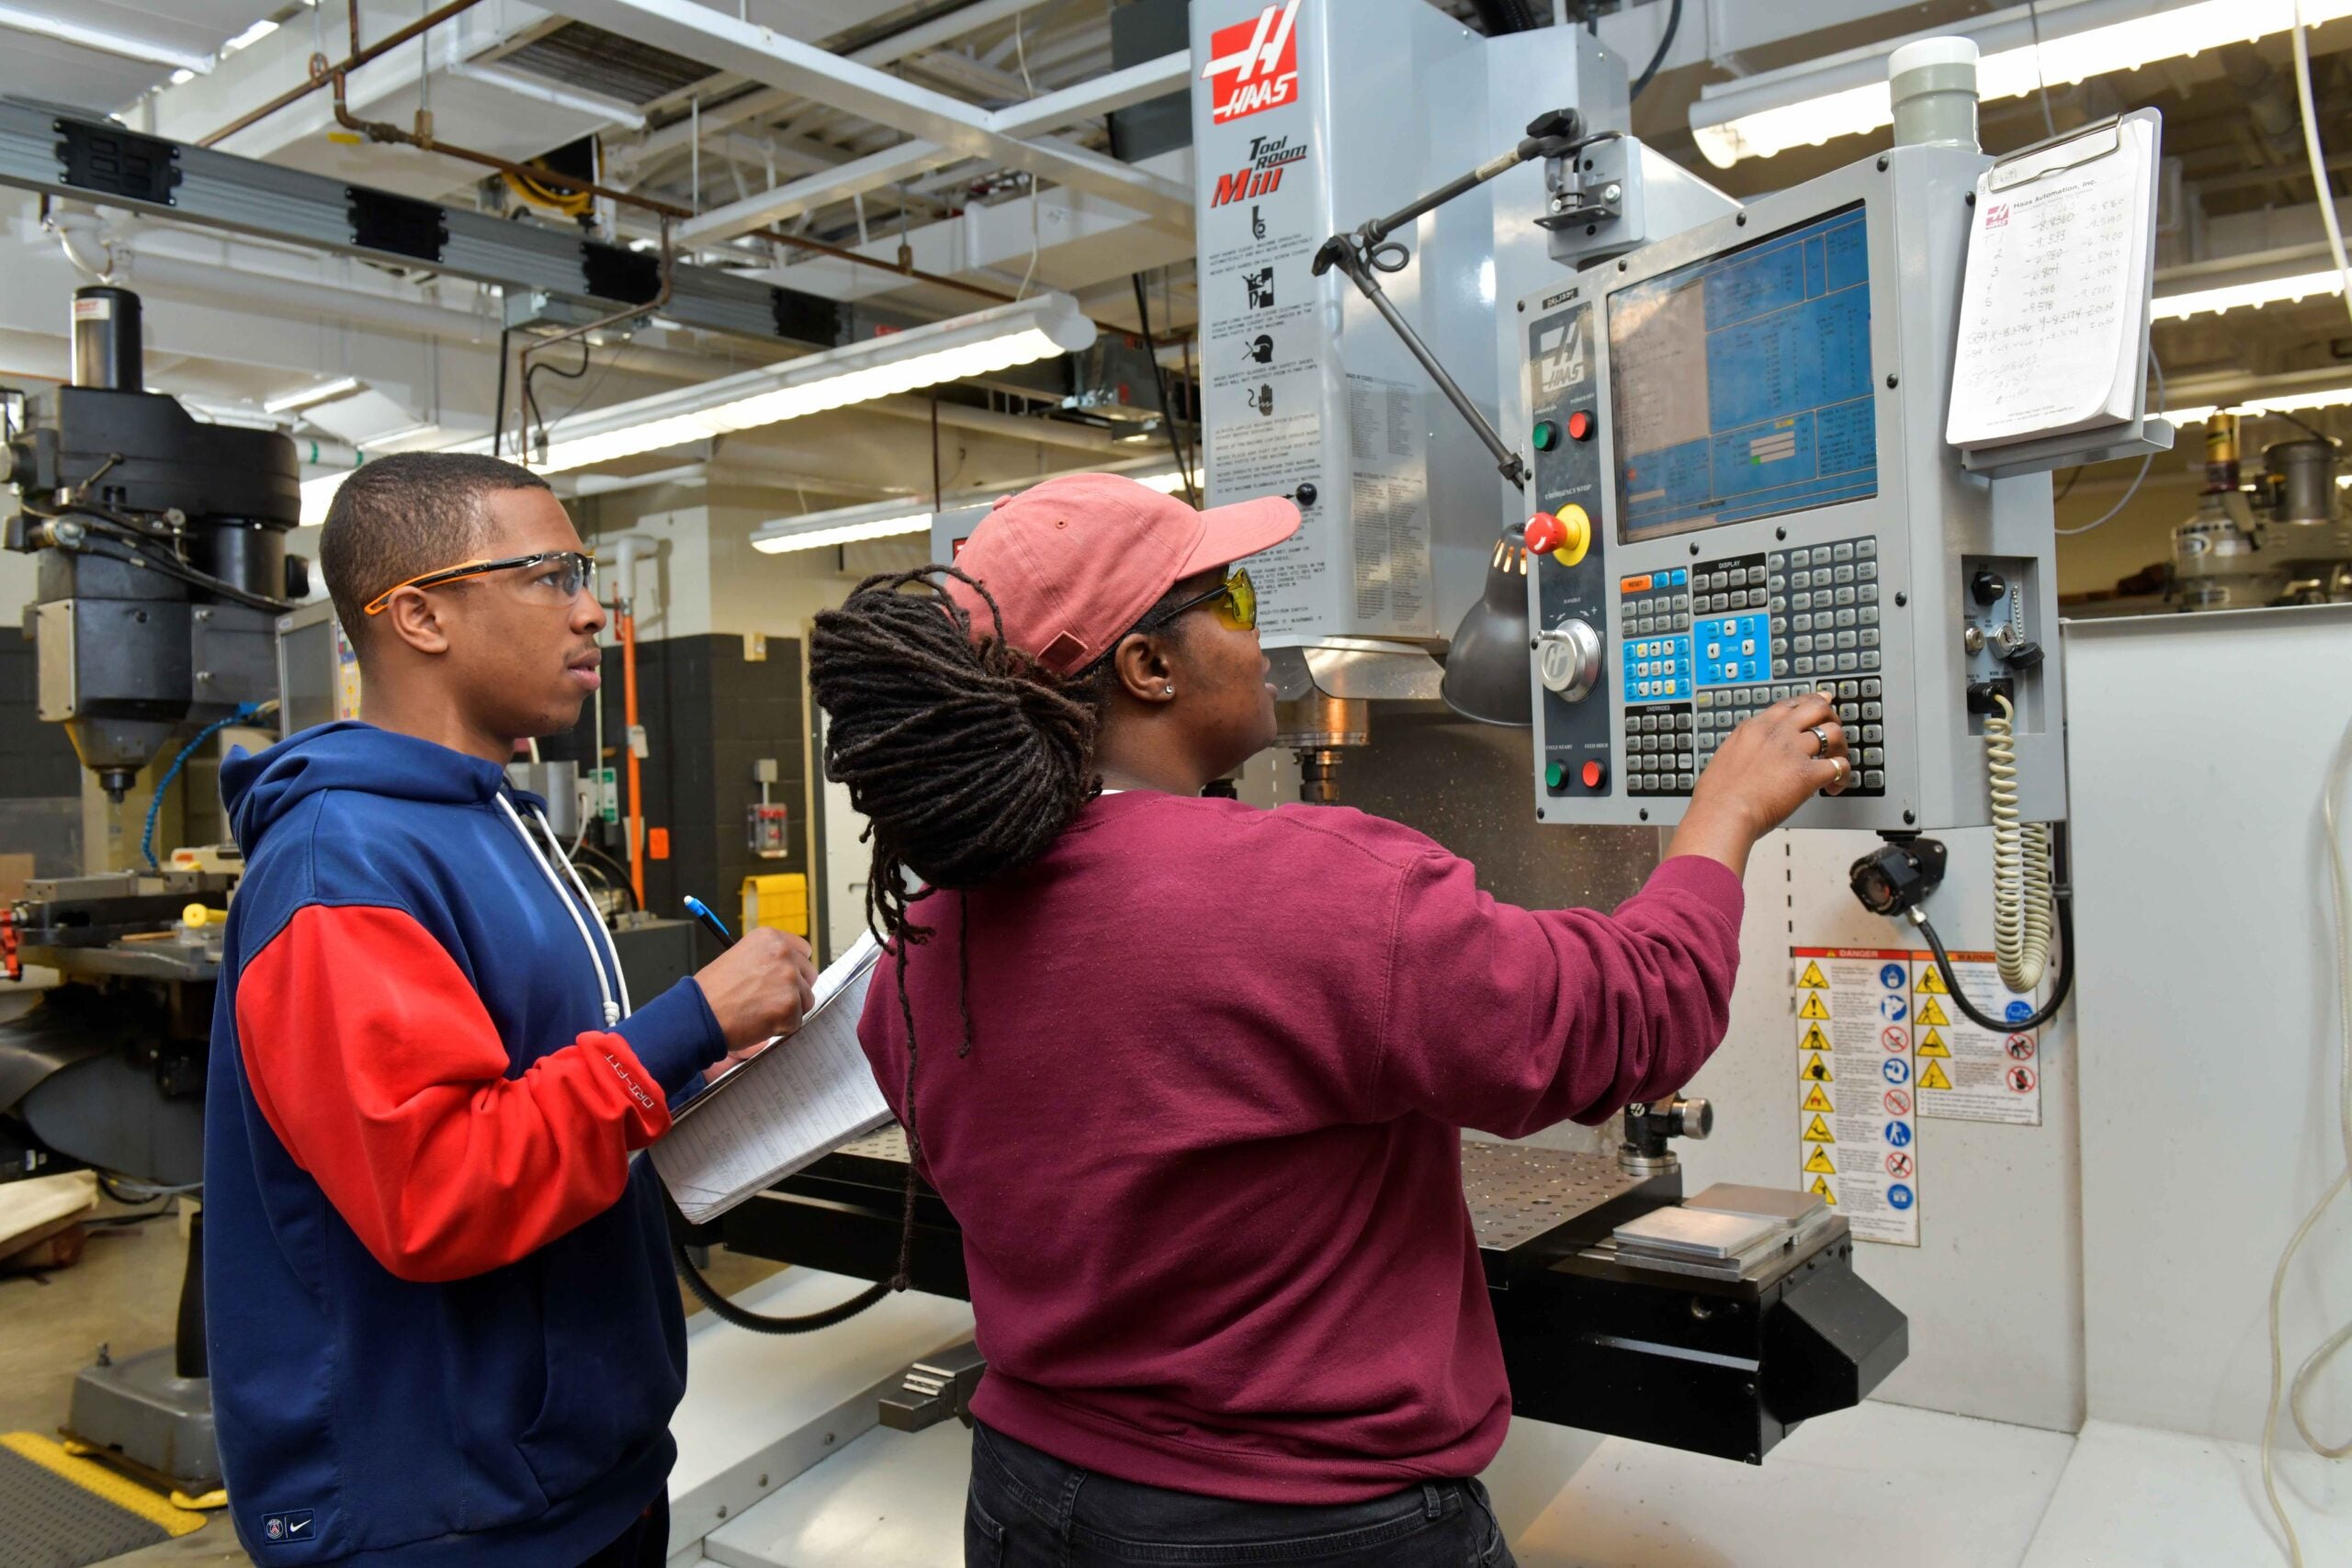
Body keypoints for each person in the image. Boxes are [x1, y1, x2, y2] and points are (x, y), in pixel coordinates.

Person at [808, 472, 1851, 1567]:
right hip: (1304, 1526)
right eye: (1239, 603)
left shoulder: (922, 945)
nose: (1264, 645)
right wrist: (1723, 814)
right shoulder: (1314, 887)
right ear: (1148, 667)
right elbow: (1638, 1017)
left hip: (1027, 1504)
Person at [204, 453, 816, 1567]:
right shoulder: (341, 867)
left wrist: (707, 1075)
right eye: (548, 576)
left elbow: (542, 1085)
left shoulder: (492, 821)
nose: (591, 611)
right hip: (445, 1512)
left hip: (581, 1467)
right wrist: (683, 1024)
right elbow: (435, 1190)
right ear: (422, 614)